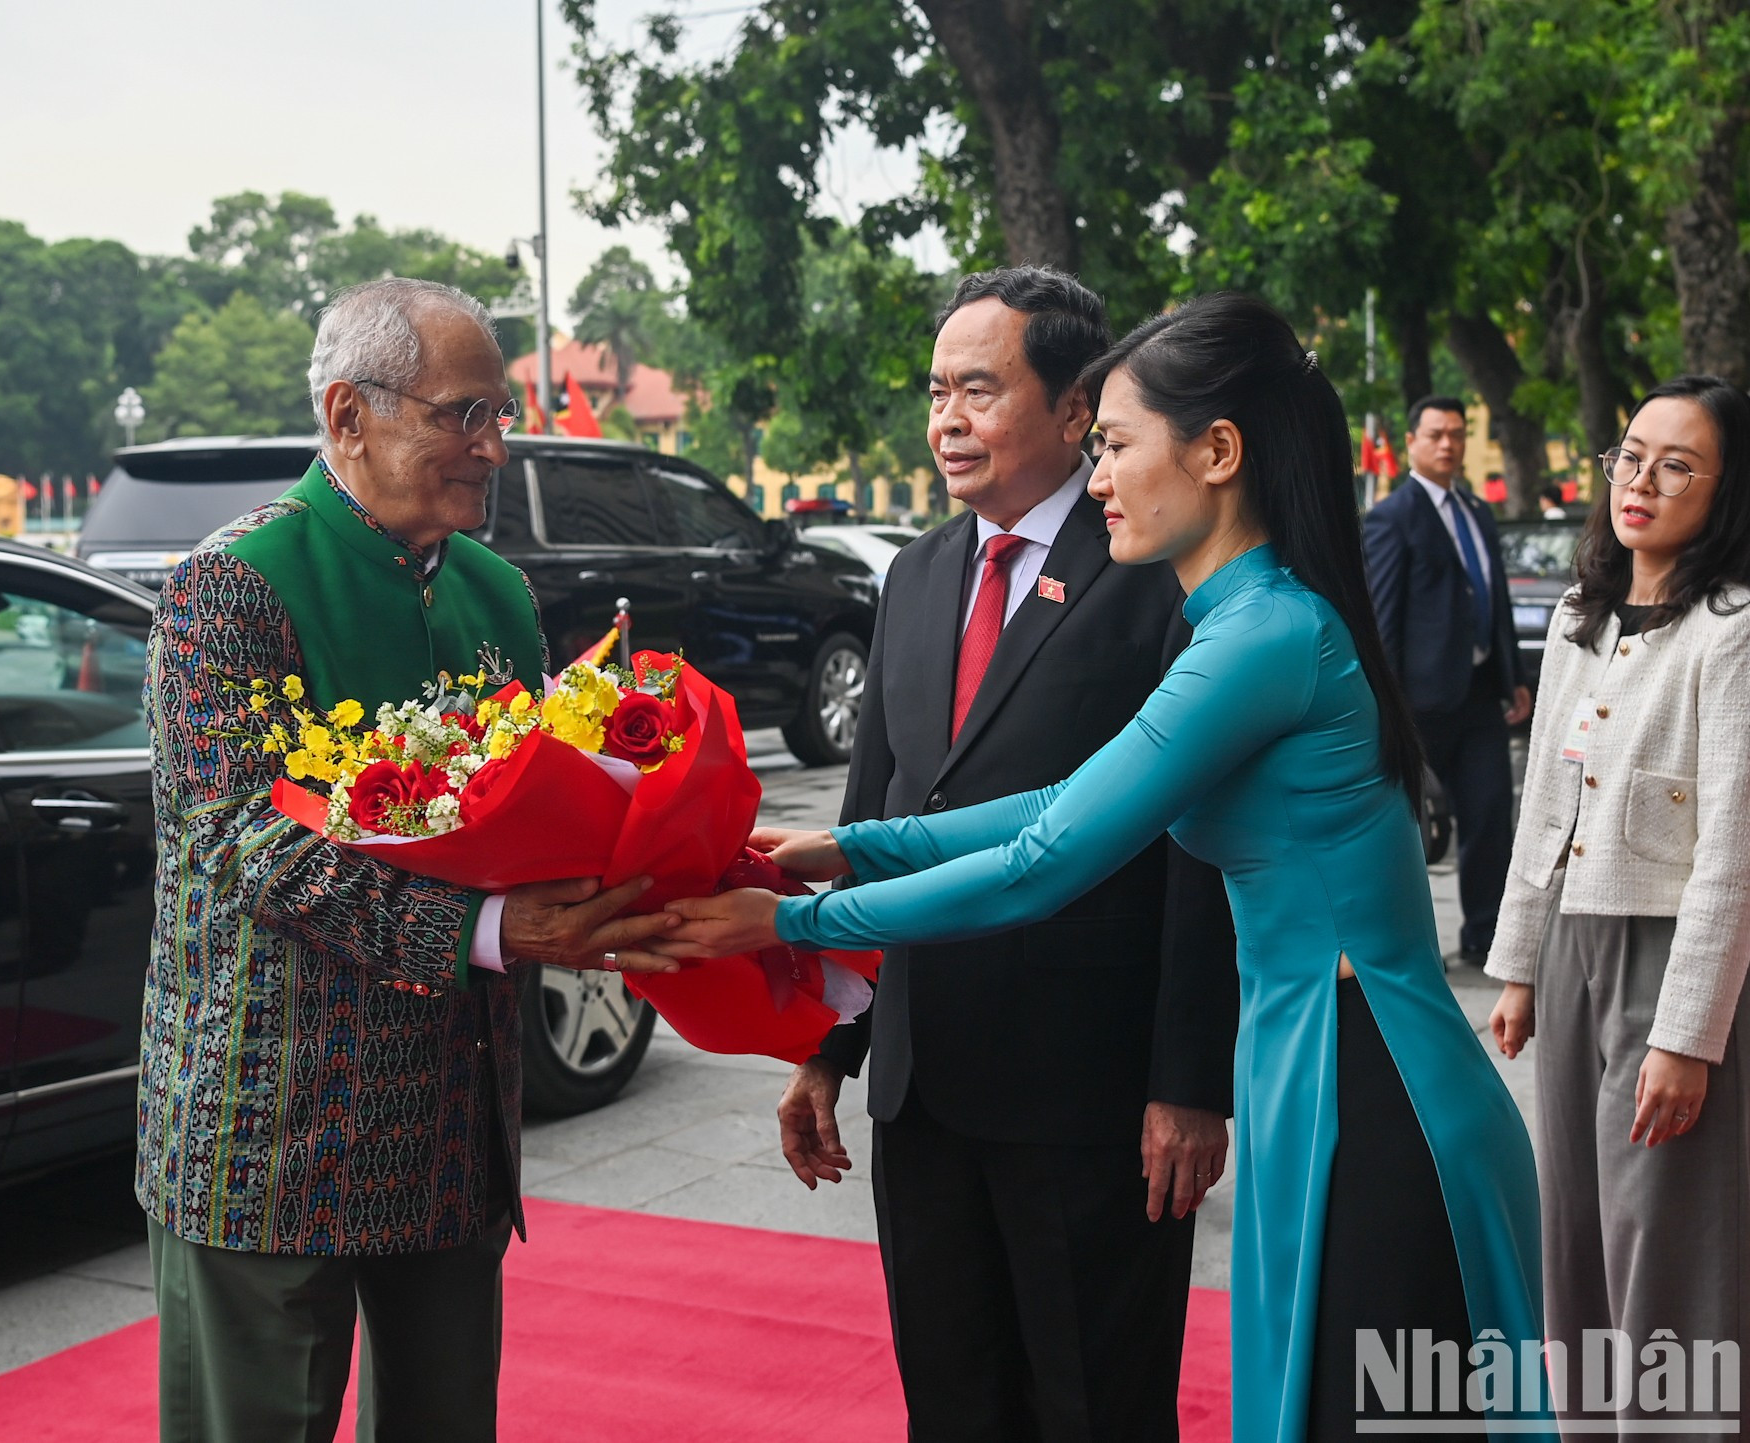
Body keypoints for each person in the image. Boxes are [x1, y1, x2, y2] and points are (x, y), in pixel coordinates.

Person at [630, 294, 1547, 1441]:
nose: (1098, 475)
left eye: (1115, 446)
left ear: (1216, 454)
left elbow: (1044, 861)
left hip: (1370, 1081)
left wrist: (790, 922)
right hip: (1318, 1062)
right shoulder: (1239, 623)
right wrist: (842, 846)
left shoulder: (1262, 635)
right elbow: (1062, 802)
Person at [138, 278, 679, 1443]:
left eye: (499, 414)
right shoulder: (232, 585)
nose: (494, 446)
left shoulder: (496, 591)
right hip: (269, 1128)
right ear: (349, 416)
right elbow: (240, 843)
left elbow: (536, 803)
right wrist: (494, 932)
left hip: (449, 1119)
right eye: (462, 415)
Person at [776, 266, 1237, 1441]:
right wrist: (831, 1046)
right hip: (925, 1085)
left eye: (978, 390)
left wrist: (1187, 1081)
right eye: (936, 392)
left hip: (1088, 1087)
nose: (946, 420)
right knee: (955, 1395)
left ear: (1077, 410)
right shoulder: (920, 570)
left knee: (1096, 1401)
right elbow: (880, 801)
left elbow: (1198, 851)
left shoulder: (1155, 568)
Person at [1488, 375, 1750, 1433]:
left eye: (1676, 464)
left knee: (1667, 1242)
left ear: (1727, 492)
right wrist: (1516, 960)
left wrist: (1689, 1034)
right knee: (1579, 1240)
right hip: (1573, 955)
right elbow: (1546, 792)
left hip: (1670, 956)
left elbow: (1736, 838)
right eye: (1631, 455)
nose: (1640, 481)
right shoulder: (1586, 617)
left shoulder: (1730, 631)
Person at [1364, 396, 1532, 963]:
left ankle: (1485, 934)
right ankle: (1407, 941)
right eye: (1436, 434)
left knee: (1489, 814)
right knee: (1410, 826)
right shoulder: (1393, 516)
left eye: (1457, 434)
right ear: (1411, 440)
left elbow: (1496, 600)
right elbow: (1383, 615)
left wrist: (1513, 676)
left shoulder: (1477, 511)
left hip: (1482, 692)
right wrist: (1388, 702)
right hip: (1420, 702)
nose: (1448, 445)